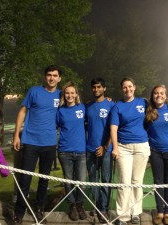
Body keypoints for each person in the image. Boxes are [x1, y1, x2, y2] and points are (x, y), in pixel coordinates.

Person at [12, 65, 61, 224]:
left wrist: (107, 99)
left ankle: (39, 208)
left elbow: (77, 104)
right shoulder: (34, 91)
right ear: (45, 77)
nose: (52, 78)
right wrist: (16, 135)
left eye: (55, 75)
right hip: (31, 142)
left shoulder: (62, 95)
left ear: (59, 79)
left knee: (44, 180)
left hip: (49, 143)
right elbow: (22, 111)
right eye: (49, 75)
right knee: (25, 178)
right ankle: (19, 211)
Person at [110, 77, 151, 225]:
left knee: (136, 181)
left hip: (141, 146)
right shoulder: (117, 106)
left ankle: (135, 212)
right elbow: (113, 127)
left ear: (134, 87)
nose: (128, 89)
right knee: (124, 182)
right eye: (124, 87)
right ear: (122, 89)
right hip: (123, 147)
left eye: (130, 86)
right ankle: (122, 215)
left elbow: (158, 105)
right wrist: (115, 147)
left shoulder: (143, 102)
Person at [145, 85, 168, 225]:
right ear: (152, 95)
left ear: (166, 95)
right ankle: (159, 212)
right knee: (158, 182)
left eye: (162, 93)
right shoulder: (148, 111)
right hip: (155, 152)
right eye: (156, 93)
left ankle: (167, 213)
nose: (159, 95)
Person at [56, 81, 87, 221]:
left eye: (72, 92)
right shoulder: (60, 111)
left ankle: (80, 204)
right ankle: (72, 206)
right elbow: (54, 127)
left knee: (81, 181)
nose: (69, 95)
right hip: (64, 152)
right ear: (64, 94)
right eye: (67, 93)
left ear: (76, 94)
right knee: (68, 181)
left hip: (81, 151)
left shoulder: (83, 108)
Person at [85, 78, 115, 223]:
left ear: (104, 88)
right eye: (94, 87)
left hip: (106, 150)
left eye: (99, 87)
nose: (96, 90)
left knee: (106, 180)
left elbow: (113, 128)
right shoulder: (88, 106)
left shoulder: (111, 104)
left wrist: (105, 146)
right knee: (93, 180)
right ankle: (97, 206)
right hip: (90, 149)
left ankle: (103, 209)